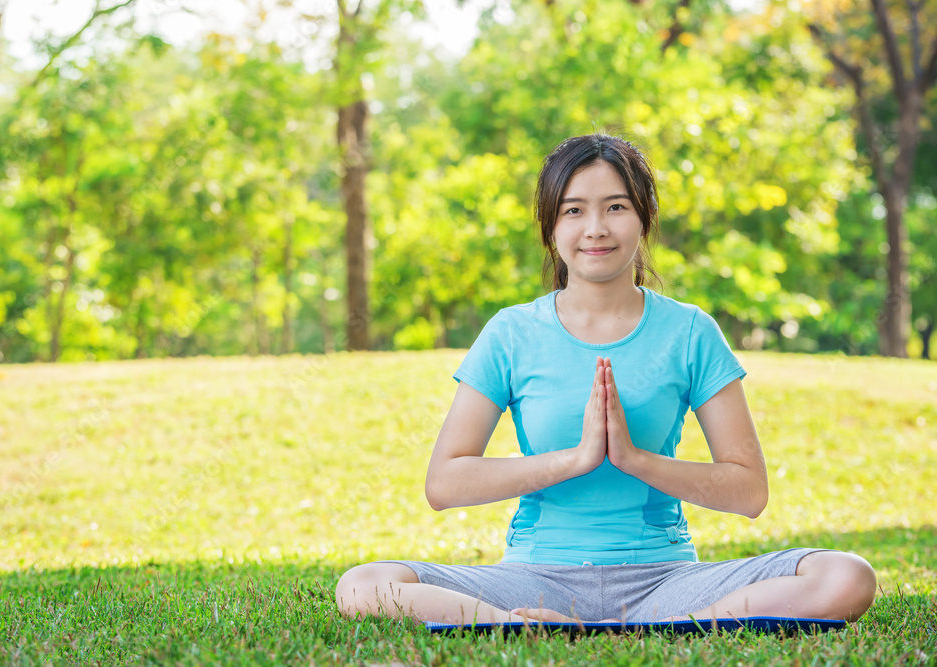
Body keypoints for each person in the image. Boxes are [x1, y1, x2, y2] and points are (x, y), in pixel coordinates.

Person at [335, 132, 877, 625]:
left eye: (615, 207)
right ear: (551, 226)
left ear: (643, 218)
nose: (595, 228)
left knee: (846, 576)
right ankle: (519, 625)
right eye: (574, 210)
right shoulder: (511, 332)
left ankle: (676, 623)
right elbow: (445, 483)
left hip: (664, 580)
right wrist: (573, 460)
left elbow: (749, 491)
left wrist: (635, 460)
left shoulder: (690, 331)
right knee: (363, 586)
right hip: (534, 579)